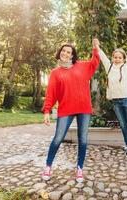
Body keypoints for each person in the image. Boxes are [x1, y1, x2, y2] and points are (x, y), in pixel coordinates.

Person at [41, 39, 100, 182]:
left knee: (83, 140)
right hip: (66, 109)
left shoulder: (81, 66)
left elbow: (94, 62)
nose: (65, 54)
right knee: (58, 138)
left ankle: (79, 168)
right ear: (60, 53)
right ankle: (48, 166)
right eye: (63, 51)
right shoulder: (55, 73)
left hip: (84, 109)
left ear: (72, 55)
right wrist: (47, 111)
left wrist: (95, 48)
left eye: (69, 52)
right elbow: (51, 93)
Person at [95, 36, 127, 158]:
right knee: (123, 124)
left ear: (123, 59)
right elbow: (102, 56)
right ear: (112, 58)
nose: (117, 59)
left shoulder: (126, 66)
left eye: (120, 57)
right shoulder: (109, 66)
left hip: (126, 99)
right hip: (115, 101)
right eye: (115, 57)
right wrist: (97, 46)